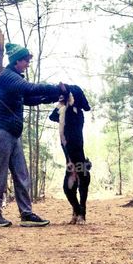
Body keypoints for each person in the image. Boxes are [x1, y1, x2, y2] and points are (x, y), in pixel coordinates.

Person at [0, 42, 67, 227]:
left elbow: (29, 99)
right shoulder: (8, 77)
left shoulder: (14, 78)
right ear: (17, 61)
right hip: (1, 133)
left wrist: (54, 97)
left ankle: (26, 214)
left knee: (21, 174)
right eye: (25, 60)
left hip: (13, 134)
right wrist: (55, 88)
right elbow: (29, 89)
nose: (28, 63)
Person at [49, 85, 92, 223]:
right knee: (67, 190)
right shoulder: (63, 111)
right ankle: (76, 210)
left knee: (82, 187)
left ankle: (82, 214)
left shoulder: (76, 114)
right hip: (69, 162)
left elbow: (82, 107)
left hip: (78, 160)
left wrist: (69, 96)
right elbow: (52, 116)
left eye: (64, 95)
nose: (61, 97)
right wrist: (62, 102)